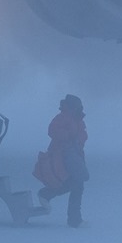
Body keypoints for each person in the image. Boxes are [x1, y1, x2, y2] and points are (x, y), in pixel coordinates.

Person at [33, 94, 89, 227]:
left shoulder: (78, 119)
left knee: (76, 184)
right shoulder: (63, 117)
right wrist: (69, 136)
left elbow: (83, 135)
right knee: (75, 184)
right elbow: (52, 130)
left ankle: (47, 194)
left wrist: (78, 141)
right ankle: (74, 220)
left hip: (74, 157)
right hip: (61, 157)